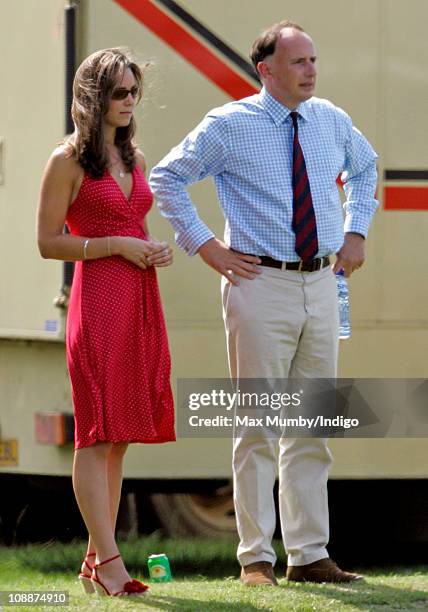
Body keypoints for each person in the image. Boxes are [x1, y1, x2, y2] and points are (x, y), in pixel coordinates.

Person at [150, 21, 378, 585]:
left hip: (321, 283)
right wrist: (205, 246)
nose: (310, 71)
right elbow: (167, 178)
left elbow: (367, 168)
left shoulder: (331, 119)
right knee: (257, 425)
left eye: (313, 60)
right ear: (266, 69)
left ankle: (309, 556)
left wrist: (357, 231)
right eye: (298, 62)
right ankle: (255, 558)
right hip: (259, 285)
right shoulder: (229, 125)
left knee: (313, 425)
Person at [37, 48, 175, 597]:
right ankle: (111, 563)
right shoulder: (66, 160)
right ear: (93, 97)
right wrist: (117, 243)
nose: (129, 101)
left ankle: (97, 563)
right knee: (95, 435)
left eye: (134, 91)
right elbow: (48, 242)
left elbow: (132, 220)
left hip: (139, 298)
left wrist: (149, 248)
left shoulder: (134, 156)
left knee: (120, 437)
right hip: (96, 303)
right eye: (119, 91)